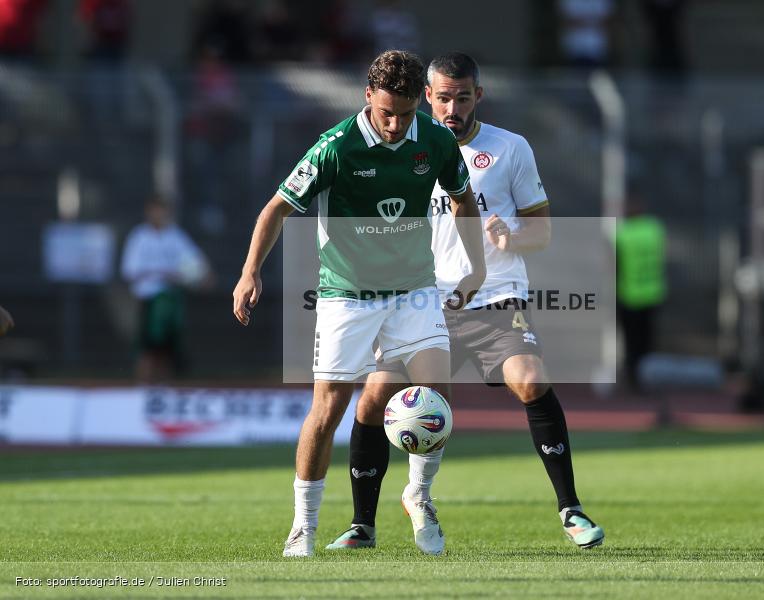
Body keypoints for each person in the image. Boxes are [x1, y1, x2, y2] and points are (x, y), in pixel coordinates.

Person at [325, 52, 605, 554]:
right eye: (443, 97)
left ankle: (571, 509)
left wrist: (510, 237)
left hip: (495, 297)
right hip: (418, 299)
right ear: (426, 97)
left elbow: (542, 233)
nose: (452, 107)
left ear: (479, 95)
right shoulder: (398, 146)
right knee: (374, 398)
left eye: (463, 96)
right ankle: (363, 523)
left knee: (531, 379)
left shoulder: (510, 149)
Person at [231, 50, 486, 558]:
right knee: (328, 410)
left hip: (413, 289)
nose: (395, 124)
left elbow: (461, 199)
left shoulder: (434, 140)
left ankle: (419, 493)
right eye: (386, 112)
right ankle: (303, 525)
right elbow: (277, 207)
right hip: (346, 295)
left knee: (437, 392)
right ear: (367, 96)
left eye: (407, 113)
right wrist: (249, 271)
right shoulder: (336, 147)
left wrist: (475, 267)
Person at [121, 197, 211, 383]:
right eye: (155, 210)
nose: (159, 214)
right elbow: (129, 271)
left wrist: (201, 275)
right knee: (148, 349)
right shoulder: (139, 237)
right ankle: (143, 390)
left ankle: (165, 390)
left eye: (162, 210)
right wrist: (162, 273)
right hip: (148, 301)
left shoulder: (175, 236)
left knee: (169, 351)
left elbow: (196, 266)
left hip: (171, 301)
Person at [615, 191, 666, 390]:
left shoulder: (622, 232)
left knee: (631, 343)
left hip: (629, 294)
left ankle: (634, 380)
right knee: (647, 341)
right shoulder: (655, 229)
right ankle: (647, 379)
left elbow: (615, 263)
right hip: (652, 293)